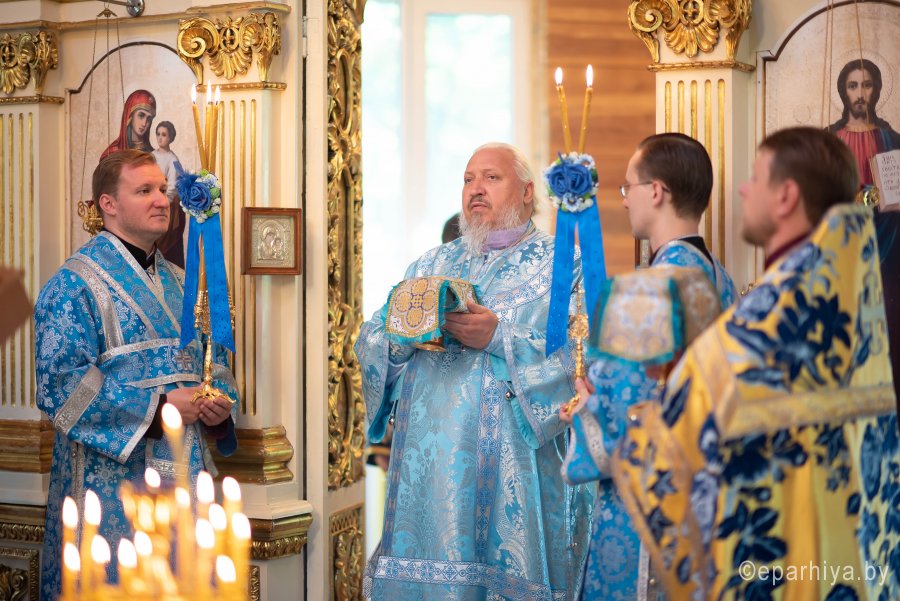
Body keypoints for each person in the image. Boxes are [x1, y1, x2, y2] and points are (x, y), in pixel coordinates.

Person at [612, 127, 899, 600]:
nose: (743, 189)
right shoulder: (853, 296)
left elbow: (664, 442)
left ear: (786, 196)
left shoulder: (771, 317)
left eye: (756, 178)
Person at [355, 142, 593, 600]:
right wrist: (402, 340)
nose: (475, 189)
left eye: (491, 178)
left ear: (527, 191)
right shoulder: (429, 265)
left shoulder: (564, 266)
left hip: (512, 480)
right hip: (428, 487)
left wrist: (499, 337)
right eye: (468, 179)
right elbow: (371, 339)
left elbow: (581, 360)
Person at [35, 150, 239, 601]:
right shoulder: (73, 285)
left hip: (184, 481)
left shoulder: (183, 281)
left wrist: (218, 403)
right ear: (108, 204)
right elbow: (60, 387)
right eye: (144, 190)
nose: (162, 200)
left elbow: (214, 361)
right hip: (108, 489)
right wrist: (162, 408)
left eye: (162, 189)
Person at [561, 133, 736, 600]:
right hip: (705, 500)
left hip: (646, 509)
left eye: (628, 187)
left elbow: (619, 421)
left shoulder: (647, 291)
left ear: (656, 191)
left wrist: (584, 404)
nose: (623, 201)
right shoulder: (720, 280)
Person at [826, 58, 900, 186]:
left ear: (876, 90)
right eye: (853, 86)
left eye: (867, 85)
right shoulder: (829, 138)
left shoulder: (892, 140)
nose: (860, 95)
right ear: (844, 92)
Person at [152, 120, 186, 267]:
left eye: (164, 135)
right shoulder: (151, 155)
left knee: (165, 246)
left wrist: (162, 202)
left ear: (170, 137)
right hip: (153, 199)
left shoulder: (173, 160)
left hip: (168, 205)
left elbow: (172, 187)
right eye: (158, 134)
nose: (160, 138)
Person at [101, 89, 157, 158]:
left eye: (149, 119)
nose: (144, 123)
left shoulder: (153, 155)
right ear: (130, 115)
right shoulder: (112, 153)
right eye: (141, 115)